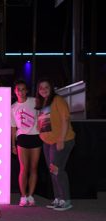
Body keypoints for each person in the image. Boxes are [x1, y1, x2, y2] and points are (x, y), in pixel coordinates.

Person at [35, 78, 75, 211]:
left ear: (51, 88)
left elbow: (65, 119)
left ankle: (66, 199)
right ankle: (58, 198)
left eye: (46, 87)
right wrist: (41, 135)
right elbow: (41, 122)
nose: (43, 90)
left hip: (61, 140)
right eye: (41, 88)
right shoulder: (42, 103)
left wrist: (61, 139)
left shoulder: (57, 100)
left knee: (58, 170)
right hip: (48, 142)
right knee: (53, 171)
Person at [11, 80, 42, 207]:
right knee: (23, 168)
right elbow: (13, 128)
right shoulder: (13, 107)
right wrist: (13, 145)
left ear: (27, 90)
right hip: (22, 137)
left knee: (33, 168)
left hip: (36, 136)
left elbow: (42, 117)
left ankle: (30, 195)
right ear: (15, 91)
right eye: (19, 89)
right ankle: (23, 196)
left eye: (23, 89)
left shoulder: (34, 101)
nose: (21, 92)